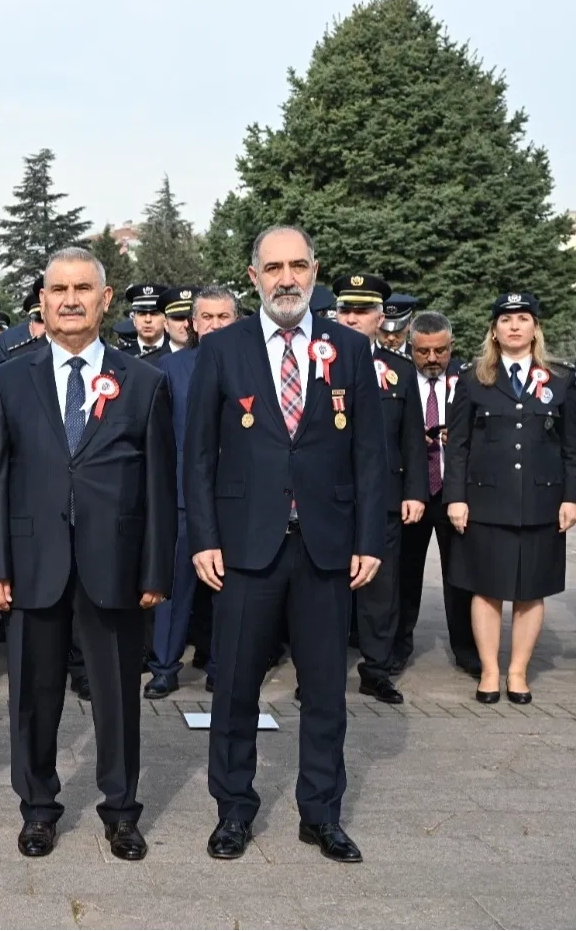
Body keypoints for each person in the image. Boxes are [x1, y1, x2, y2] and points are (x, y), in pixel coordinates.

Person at [185, 225, 386, 864]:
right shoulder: (225, 348)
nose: (287, 278)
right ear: (254, 277)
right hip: (245, 547)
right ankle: (233, 810)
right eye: (273, 268)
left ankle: (321, 813)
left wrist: (369, 538)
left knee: (325, 691)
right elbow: (198, 454)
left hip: (326, 547)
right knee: (235, 687)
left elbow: (371, 453)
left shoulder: (348, 348)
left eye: (298, 265)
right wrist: (203, 538)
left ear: (314, 270)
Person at [0, 247, 173, 861]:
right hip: (33, 565)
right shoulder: (11, 378)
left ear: (105, 299)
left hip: (114, 567)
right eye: (58, 289)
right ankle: (38, 809)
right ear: (42, 301)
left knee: (116, 697)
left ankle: (122, 811)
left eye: (82, 288)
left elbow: (159, 486)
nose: (69, 300)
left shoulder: (144, 382)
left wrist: (155, 568)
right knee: (34, 698)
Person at [444, 293, 576, 705]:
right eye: (506, 320)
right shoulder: (473, 379)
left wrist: (571, 498)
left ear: (535, 328)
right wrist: (455, 498)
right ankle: (489, 670)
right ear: (494, 331)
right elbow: (458, 445)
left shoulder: (561, 379)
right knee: (486, 589)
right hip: (485, 503)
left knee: (530, 590)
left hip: (541, 502)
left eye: (522, 319)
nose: (514, 326)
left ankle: (517, 672)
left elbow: (571, 447)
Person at [332, 274, 426, 704]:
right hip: (328, 498)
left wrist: (415, 491)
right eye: (346, 310)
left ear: (380, 317)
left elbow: (412, 437)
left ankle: (376, 670)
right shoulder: (316, 362)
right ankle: (320, 671)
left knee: (380, 590)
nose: (352, 318)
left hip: (382, 497)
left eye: (362, 310)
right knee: (327, 590)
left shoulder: (399, 371)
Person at [145, 286, 239, 699]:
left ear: (236, 321)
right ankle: (164, 668)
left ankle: (221, 667)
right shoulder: (169, 368)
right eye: (207, 317)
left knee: (229, 591)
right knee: (174, 589)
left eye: (224, 317)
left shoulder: (253, 364)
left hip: (236, 498)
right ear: (193, 323)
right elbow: (156, 438)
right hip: (183, 499)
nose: (215, 325)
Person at [396, 311, 476, 675]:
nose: (432, 359)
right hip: (411, 492)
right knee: (404, 574)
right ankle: (398, 647)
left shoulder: (470, 378)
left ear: (451, 346)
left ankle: (467, 649)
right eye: (423, 351)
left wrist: (460, 436)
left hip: (453, 493)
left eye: (440, 351)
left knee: (460, 576)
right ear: (411, 347)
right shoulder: (397, 378)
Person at [123, 283, 168, 363]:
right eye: (142, 314)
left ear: (165, 318)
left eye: (154, 314)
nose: (148, 320)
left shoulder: (177, 353)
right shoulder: (121, 356)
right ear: (134, 319)